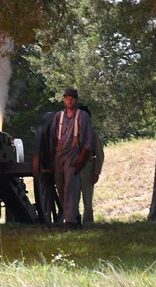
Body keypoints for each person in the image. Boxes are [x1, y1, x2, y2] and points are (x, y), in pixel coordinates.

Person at [49, 88, 95, 230]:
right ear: (64, 100)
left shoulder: (82, 116)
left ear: (77, 100)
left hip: (74, 153)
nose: (70, 100)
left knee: (71, 187)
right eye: (67, 98)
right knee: (61, 187)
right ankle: (73, 215)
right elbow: (52, 137)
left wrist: (81, 160)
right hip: (59, 153)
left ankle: (70, 221)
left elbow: (88, 141)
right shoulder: (58, 117)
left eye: (72, 98)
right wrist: (52, 158)